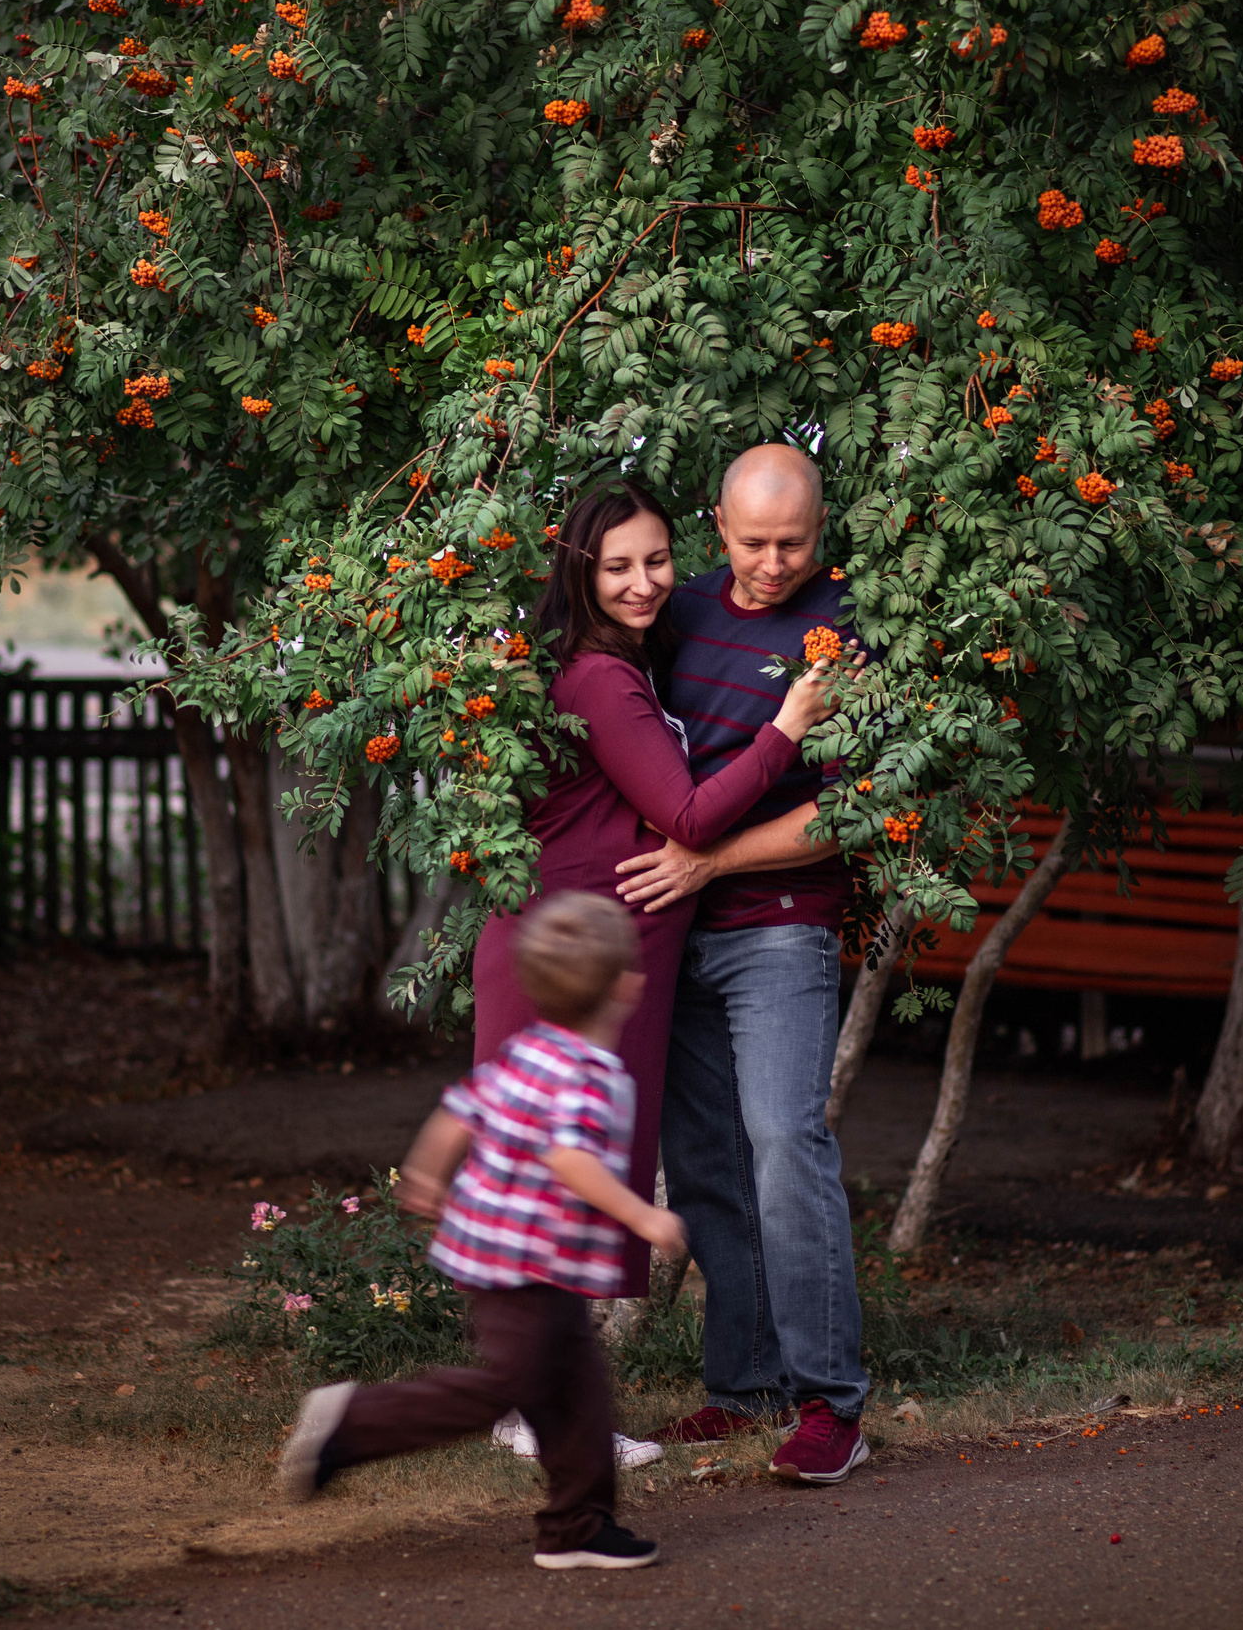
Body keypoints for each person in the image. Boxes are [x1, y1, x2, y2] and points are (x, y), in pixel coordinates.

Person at [278, 892, 685, 1570]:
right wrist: (643, 1215)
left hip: (525, 1259)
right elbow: (570, 1157)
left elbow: (460, 1109)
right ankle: (351, 1422)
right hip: (522, 1265)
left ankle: (578, 1525)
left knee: (578, 1392)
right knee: (511, 1386)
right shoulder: (588, 1075)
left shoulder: (528, 1049)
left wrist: (425, 1171)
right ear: (625, 988)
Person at [622, 442, 873, 1485]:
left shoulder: (844, 631)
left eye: (794, 544)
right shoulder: (679, 614)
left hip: (779, 927)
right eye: (755, 542)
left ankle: (831, 1405)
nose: (774, 565)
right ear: (718, 528)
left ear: (821, 532)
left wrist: (709, 861)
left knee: (782, 1141)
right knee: (709, 1162)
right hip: (676, 930)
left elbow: (849, 810)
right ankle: (747, 1385)